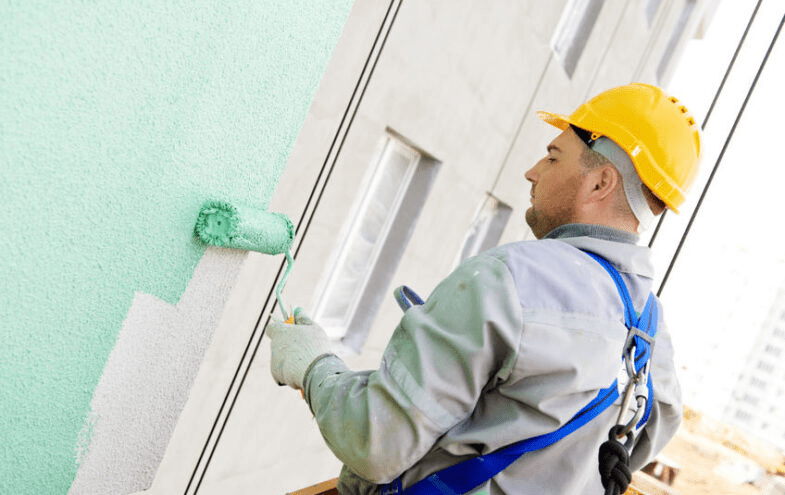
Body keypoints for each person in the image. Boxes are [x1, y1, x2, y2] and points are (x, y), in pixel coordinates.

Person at [266, 82, 701, 494]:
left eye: (553, 156)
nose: (531, 172)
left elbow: (376, 442)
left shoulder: (511, 279)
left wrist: (314, 365)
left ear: (600, 182)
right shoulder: (652, 340)